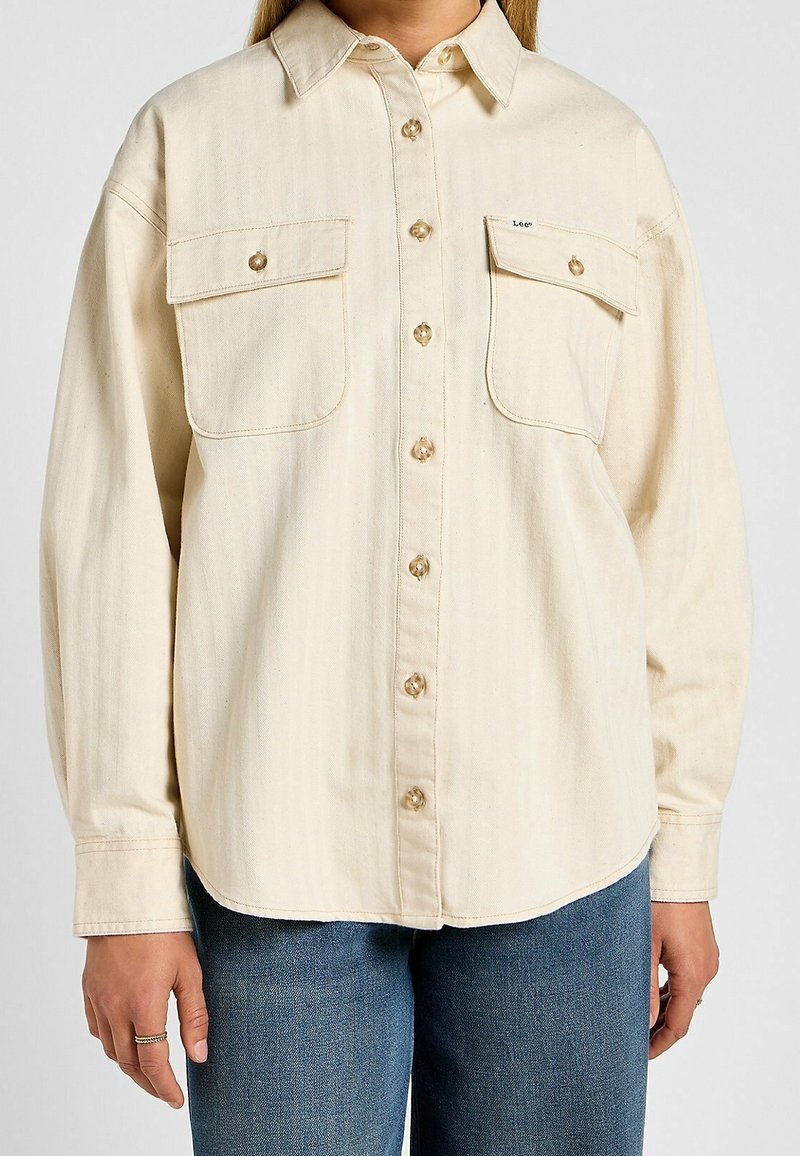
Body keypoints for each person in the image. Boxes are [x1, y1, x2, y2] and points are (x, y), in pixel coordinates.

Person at [38, 1, 753, 1152]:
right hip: (272, 867)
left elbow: (677, 527)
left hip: (564, 855)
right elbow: (112, 531)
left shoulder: (605, 154)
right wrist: (124, 880)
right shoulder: (188, 144)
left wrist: (681, 853)